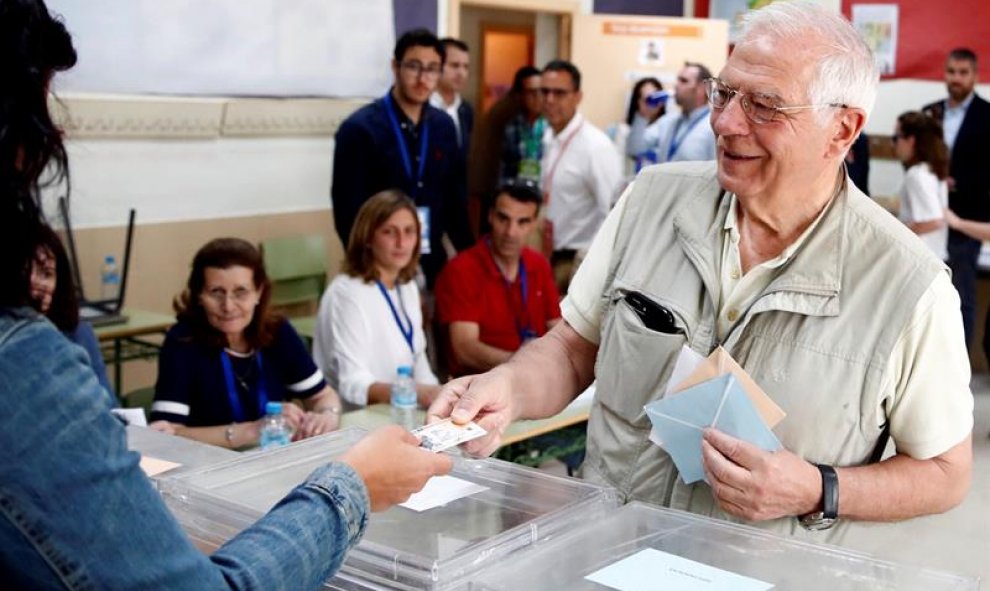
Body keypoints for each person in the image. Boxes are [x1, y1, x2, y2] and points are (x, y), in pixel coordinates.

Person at [430, 0, 972, 544]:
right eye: (725, 92)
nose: (726, 122)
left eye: (764, 106)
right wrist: (510, 388)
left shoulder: (908, 286)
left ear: (842, 130)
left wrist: (819, 489)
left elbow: (946, 473)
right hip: (609, 552)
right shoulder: (649, 201)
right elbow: (574, 348)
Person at [0, 2, 451, 588]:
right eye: (41, 111)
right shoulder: (34, 360)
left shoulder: (292, 329)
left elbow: (327, 398)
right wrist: (351, 486)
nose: (55, 134)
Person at [149, 238, 344, 448]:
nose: (228, 306)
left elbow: (322, 395)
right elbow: (167, 432)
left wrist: (327, 415)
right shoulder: (183, 342)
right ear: (199, 295)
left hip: (270, 456)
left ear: (259, 292)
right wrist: (251, 430)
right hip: (207, 467)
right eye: (216, 292)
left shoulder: (276, 330)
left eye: (240, 292)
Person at [332, 28, 473, 286]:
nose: (423, 79)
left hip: (431, 258)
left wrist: (470, 256)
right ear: (395, 67)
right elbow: (347, 209)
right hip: (379, 263)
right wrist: (364, 265)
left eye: (432, 69)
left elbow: (455, 198)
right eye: (414, 67)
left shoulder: (443, 127)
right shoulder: (360, 129)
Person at [314, 190, 440, 409]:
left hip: (402, 408)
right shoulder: (347, 293)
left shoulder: (406, 285)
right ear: (368, 238)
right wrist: (416, 392)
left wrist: (439, 394)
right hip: (357, 417)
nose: (402, 242)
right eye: (389, 232)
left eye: (409, 231)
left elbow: (418, 361)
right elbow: (352, 384)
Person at [436, 181, 560, 376]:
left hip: (533, 379)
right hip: (478, 384)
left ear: (534, 224)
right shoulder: (462, 269)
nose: (510, 232)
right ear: (490, 216)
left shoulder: (539, 264)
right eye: (503, 219)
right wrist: (524, 365)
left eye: (522, 222)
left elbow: (557, 330)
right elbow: (465, 350)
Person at [922, 48, 990, 350]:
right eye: (951, 72)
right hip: (929, 219)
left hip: (966, 220)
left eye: (963, 73)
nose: (956, 79)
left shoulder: (987, 116)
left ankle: (958, 372)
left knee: (961, 296)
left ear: (975, 76)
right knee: (927, 294)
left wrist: (956, 182)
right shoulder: (930, 112)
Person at [539, 59, 622, 294]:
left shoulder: (596, 147)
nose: (549, 100)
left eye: (559, 93)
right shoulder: (548, 136)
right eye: (544, 92)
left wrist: (590, 266)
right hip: (547, 254)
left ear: (577, 96)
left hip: (576, 262)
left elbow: (614, 213)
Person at [29, 223, 114, 400]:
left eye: (46, 274)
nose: (37, 283)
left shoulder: (78, 332)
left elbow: (109, 406)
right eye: (26, 272)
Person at [893, 111, 950, 261]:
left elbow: (934, 221)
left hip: (919, 259)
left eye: (896, 138)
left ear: (911, 140)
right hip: (934, 256)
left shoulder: (917, 174)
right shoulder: (933, 170)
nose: (894, 144)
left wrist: (895, 234)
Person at [642, 62, 716, 164]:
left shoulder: (714, 128)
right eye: (678, 80)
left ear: (702, 89)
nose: (676, 85)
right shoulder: (668, 121)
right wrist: (642, 115)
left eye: (683, 81)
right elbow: (635, 148)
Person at [430, 38, 474, 157]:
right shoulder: (422, 107)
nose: (461, 73)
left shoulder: (466, 110)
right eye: (455, 65)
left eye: (466, 67)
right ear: (436, 66)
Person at [624, 76, 666, 161]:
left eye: (654, 96)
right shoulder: (622, 130)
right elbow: (634, 151)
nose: (650, 101)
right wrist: (643, 115)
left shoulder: (668, 127)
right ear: (637, 101)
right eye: (645, 98)